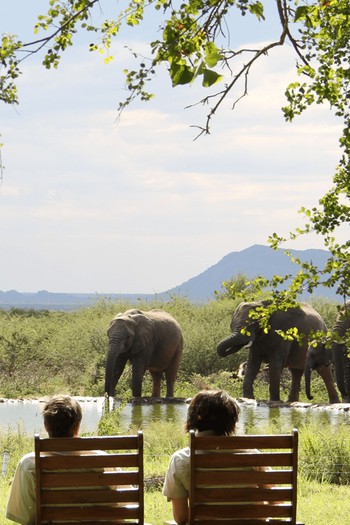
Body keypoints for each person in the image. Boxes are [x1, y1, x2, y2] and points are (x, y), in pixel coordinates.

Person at [162, 389, 241, 525]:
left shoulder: (181, 459)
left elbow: (181, 518)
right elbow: (276, 502)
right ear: (231, 420)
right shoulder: (253, 455)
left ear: (193, 419)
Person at [6, 395, 83, 525]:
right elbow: (120, 508)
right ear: (77, 426)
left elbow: (26, 518)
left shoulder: (30, 464)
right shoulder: (104, 461)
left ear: (46, 426)